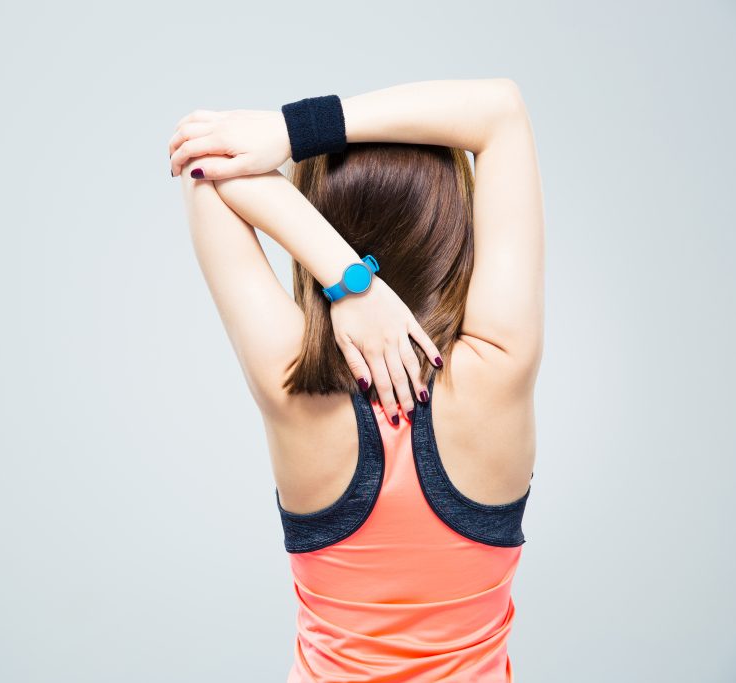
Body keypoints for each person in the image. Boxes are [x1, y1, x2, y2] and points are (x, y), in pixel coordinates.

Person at [167, 78, 544, 682]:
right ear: (454, 228)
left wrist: (347, 277)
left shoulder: (295, 387)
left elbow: (202, 165)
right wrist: (295, 130)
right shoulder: (498, 367)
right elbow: (500, 111)